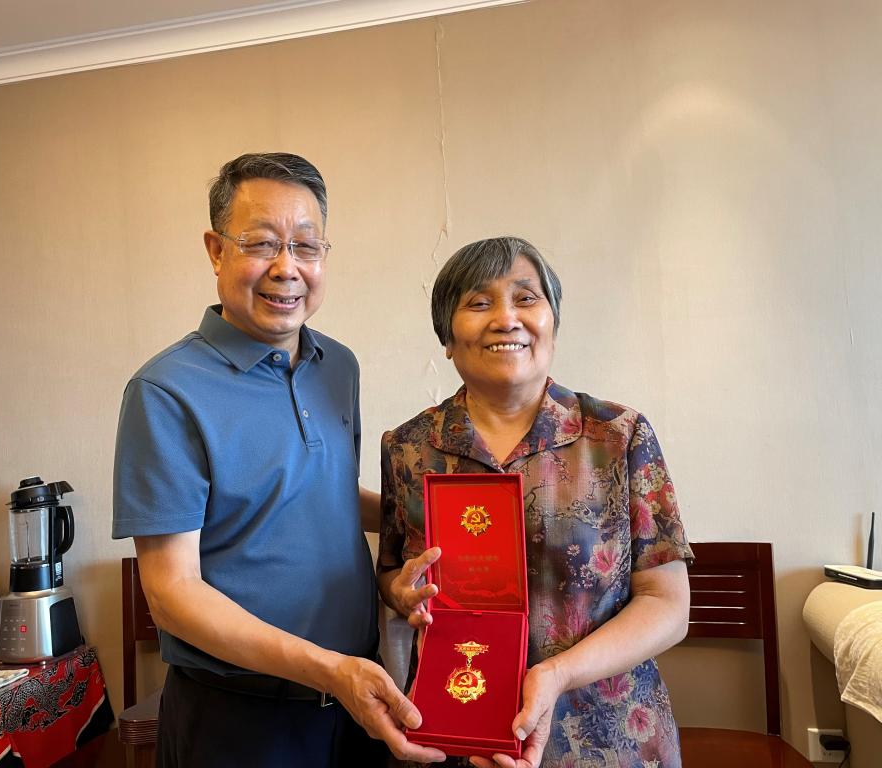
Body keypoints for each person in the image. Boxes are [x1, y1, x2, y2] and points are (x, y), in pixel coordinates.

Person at [112, 153, 445, 768]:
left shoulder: (338, 366)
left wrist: (432, 527)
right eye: (262, 243)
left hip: (356, 699)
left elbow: (325, 493)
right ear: (216, 251)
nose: (287, 267)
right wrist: (329, 669)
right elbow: (172, 592)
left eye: (306, 246)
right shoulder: (165, 392)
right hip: (239, 719)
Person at [378, 236, 693, 768]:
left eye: (526, 299)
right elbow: (390, 571)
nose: (506, 319)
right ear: (446, 337)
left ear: (553, 321)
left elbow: (667, 605)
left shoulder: (619, 436)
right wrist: (401, 592)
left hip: (603, 737)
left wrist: (558, 672)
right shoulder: (408, 448)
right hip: (456, 731)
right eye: (479, 303)